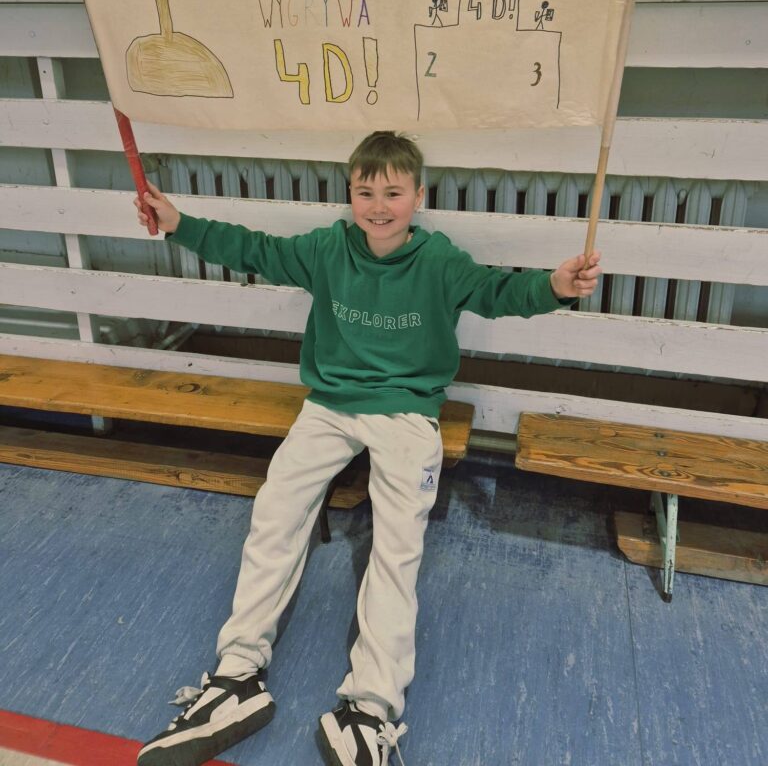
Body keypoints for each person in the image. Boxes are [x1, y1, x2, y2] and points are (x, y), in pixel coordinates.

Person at [135, 131, 601, 766]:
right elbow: (254, 249)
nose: (379, 206)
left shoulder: (440, 261)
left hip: (407, 412)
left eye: (393, 193)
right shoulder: (327, 248)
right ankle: (236, 676)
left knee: (397, 543)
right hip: (331, 405)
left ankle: (371, 707)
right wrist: (179, 223)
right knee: (276, 511)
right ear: (349, 194)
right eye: (365, 192)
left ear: (418, 196)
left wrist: (554, 286)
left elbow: (498, 292)